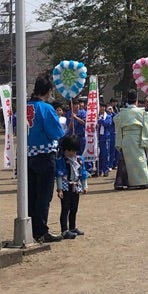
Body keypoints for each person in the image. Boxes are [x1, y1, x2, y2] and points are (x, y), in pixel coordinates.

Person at [26, 75, 65, 243]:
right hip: (44, 154)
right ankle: (41, 230)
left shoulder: (25, 106)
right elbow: (56, 132)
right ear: (48, 91)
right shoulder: (46, 108)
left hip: (28, 154)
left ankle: (31, 228)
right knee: (44, 195)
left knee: (31, 194)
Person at [114, 89, 148, 190]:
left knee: (125, 162)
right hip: (138, 139)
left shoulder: (122, 113)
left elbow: (116, 121)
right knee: (140, 161)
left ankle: (122, 182)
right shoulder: (142, 112)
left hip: (126, 139)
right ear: (136, 100)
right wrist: (146, 141)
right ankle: (143, 181)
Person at [56, 134, 88, 239]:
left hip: (76, 186)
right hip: (66, 186)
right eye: (69, 151)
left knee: (74, 208)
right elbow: (59, 175)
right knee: (65, 208)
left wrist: (85, 186)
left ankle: (73, 227)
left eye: (74, 151)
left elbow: (83, 174)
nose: (72, 153)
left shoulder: (79, 160)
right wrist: (59, 189)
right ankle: (64, 230)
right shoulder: (61, 161)